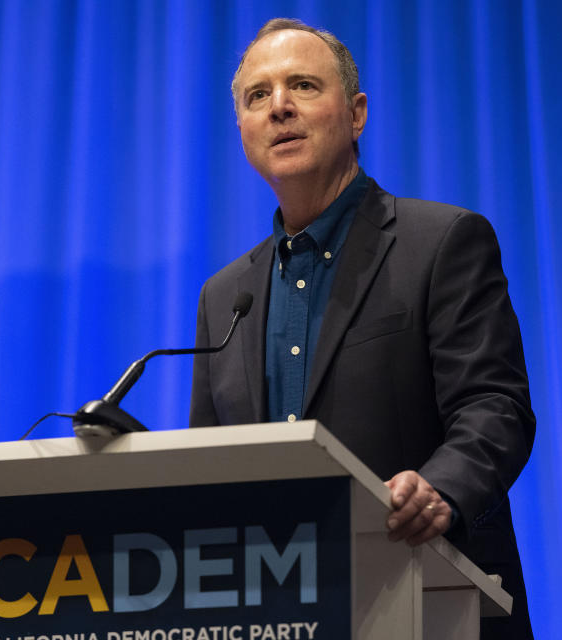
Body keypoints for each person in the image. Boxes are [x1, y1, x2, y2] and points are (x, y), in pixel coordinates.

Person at [189, 18, 535, 639]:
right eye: (257, 96)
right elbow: (209, 472)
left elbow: (496, 406)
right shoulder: (224, 297)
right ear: (241, 129)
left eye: (302, 86)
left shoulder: (442, 244)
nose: (280, 108)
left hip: (427, 601)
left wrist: (440, 488)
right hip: (274, 616)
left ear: (356, 114)